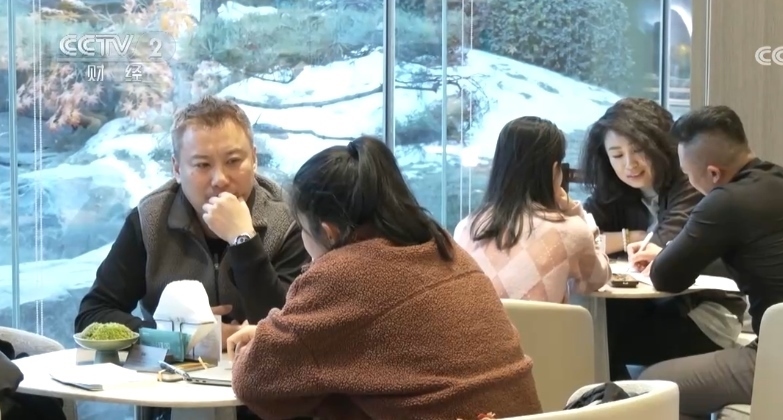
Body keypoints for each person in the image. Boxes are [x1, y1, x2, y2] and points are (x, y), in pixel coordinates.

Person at [225, 136, 543, 420]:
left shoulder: (343, 273)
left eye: (303, 231)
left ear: (328, 232)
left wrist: (270, 339)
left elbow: (254, 380)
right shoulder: (444, 248)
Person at [628, 105, 783, 419]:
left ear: (713, 174)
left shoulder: (725, 201)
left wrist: (665, 256)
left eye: (688, 175)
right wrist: (670, 252)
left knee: (652, 386)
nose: (688, 181)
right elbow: (758, 256)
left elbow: (666, 277)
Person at [74, 95, 309, 346]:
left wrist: (243, 240)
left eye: (233, 161)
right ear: (177, 169)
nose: (220, 179)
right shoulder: (149, 219)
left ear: (254, 159)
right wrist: (183, 337)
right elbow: (92, 317)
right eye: (202, 165)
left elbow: (293, 328)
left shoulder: (288, 220)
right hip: (170, 369)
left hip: (263, 369)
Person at [580, 98, 745, 380]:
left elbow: (661, 251)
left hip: (706, 314)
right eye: (617, 155)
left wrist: (633, 242)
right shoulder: (617, 192)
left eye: (639, 150)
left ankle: (619, 402)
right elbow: (580, 239)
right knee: (593, 326)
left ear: (662, 146)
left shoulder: (690, 182)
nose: (629, 164)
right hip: (654, 307)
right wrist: (630, 237)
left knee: (601, 338)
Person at [454, 116, 611, 303]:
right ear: (555, 170)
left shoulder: (465, 227)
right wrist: (578, 216)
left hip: (481, 323)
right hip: (542, 325)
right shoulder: (571, 231)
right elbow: (596, 279)